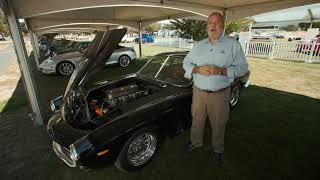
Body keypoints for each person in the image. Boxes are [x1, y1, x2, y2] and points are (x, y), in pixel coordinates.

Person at [183, 12, 248, 162]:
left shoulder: (232, 45)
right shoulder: (199, 45)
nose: (213, 26)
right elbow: (186, 62)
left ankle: (218, 149)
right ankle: (195, 142)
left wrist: (221, 70)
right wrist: (196, 70)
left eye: (217, 22)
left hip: (220, 94)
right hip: (198, 91)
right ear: (207, 26)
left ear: (223, 25)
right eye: (210, 23)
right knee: (197, 119)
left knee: (219, 122)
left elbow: (243, 68)